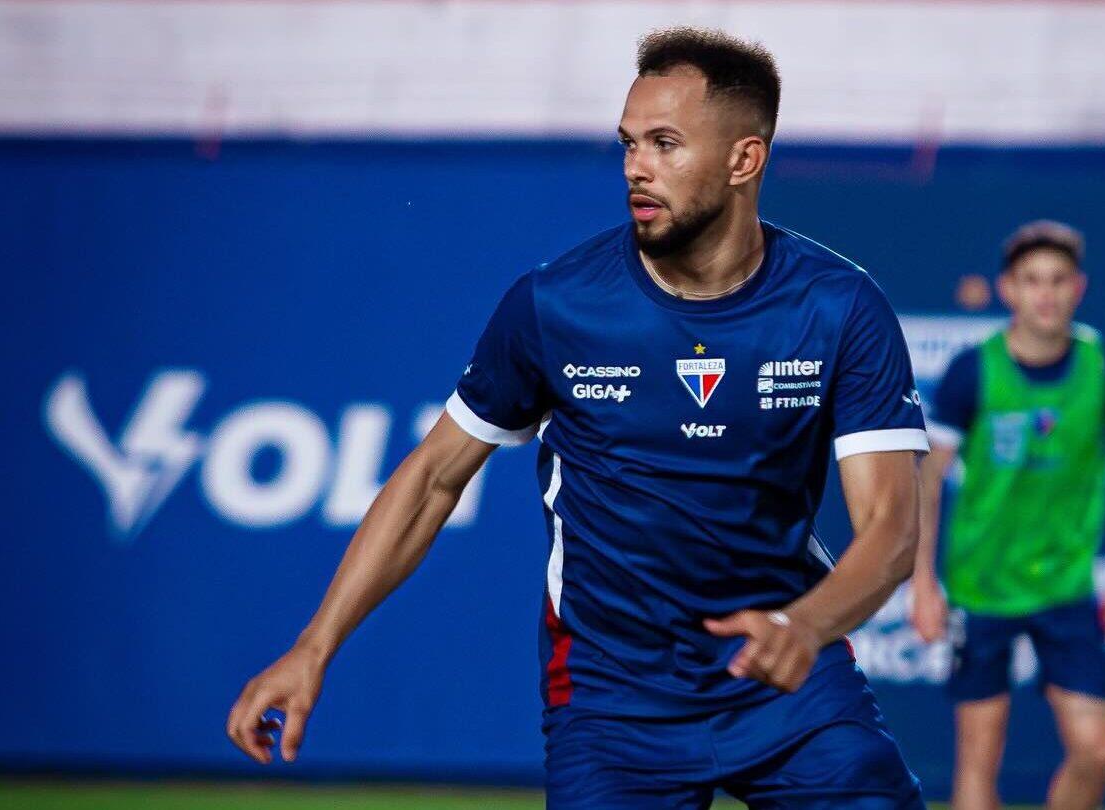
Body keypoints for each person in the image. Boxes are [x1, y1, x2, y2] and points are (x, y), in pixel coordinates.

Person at [227, 27, 930, 808]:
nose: (636, 167)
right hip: (611, 698)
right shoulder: (556, 305)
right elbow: (430, 480)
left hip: (786, 680)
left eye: (666, 144)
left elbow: (892, 530)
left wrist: (807, 625)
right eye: (629, 143)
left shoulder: (840, 307)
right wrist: (312, 647)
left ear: (745, 160)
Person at [908, 221, 1105, 810]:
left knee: (1096, 750)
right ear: (1008, 290)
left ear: (1079, 288)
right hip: (982, 586)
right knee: (976, 766)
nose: (1046, 293)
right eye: (1032, 281)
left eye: (1058, 280)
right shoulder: (974, 372)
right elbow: (928, 480)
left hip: (1066, 586)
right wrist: (922, 583)